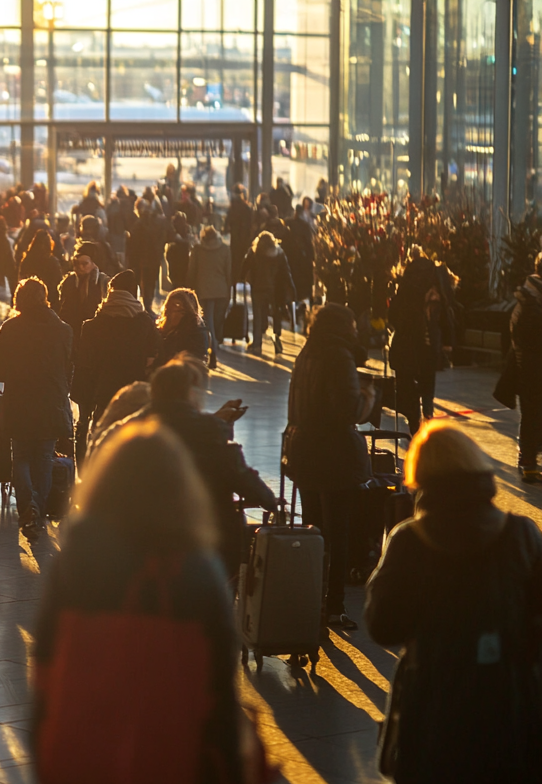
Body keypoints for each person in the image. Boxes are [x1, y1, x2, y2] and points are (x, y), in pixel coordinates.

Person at [32, 421, 246, 784]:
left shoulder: (77, 560)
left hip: (89, 766)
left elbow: (46, 659)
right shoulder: (201, 570)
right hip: (174, 768)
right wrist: (230, 769)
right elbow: (219, 683)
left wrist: (42, 745)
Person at [366, 422, 542, 784]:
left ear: (420, 477)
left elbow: (383, 626)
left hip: (434, 707)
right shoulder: (522, 534)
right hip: (511, 705)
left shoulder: (409, 540)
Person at [121, 360, 276, 574]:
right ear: (190, 393)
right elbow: (242, 478)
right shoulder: (211, 433)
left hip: (145, 541)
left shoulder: (130, 431)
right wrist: (271, 501)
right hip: (207, 540)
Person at [286, 303, 373, 628]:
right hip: (334, 455)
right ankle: (334, 606)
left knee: (313, 531)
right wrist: (367, 393)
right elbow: (349, 411)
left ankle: (311, 602)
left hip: (304, 452)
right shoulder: (339, 355)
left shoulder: (307, 352)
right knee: (337, 534)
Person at [0, 278, 73, 536]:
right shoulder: (63, 329)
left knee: (21, 457)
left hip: (20, 402)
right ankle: (40, 510)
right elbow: (70, 366)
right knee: (44, 459)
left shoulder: (11, 328)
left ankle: (28, 509)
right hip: (51, 403)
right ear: (45, 297)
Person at [72, 271, 158, 462]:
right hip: (133, 393)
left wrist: (81, 397)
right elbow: (152, 359)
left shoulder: (92, 326)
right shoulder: (144, 323)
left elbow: (83, 363)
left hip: (100, 394)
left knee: (100, 438)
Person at [389, 249, 455, 436]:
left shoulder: (406, 286)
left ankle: (414, 424)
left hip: (406, 344)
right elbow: (446, 315)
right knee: (428, 385)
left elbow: (393, 315)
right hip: (428, 344)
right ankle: (427, 417)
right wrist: (447, 341)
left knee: (408, 388)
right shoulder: (434, 288)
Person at [507, 262, 542, 482]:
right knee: (532, 414)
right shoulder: (532, 303)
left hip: (526, 368)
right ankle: (528, 459)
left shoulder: (526, 298)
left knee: (530, 414)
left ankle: (528, 458)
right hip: (532, 368)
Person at [242, 231, 294, 357]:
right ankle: (276, 339)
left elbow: (244, 267)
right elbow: (286, 272)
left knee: (258, 315)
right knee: (276, 314)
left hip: (258, 288)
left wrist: (241, 278)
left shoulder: (254, 252)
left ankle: (257, 344)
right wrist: (291, 289)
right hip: (275, 289)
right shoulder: (279, 253)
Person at [189, 226, 231, 370]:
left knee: (208, 321)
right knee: (216, 321)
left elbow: (192, 271)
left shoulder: (198, 250)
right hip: (221, 290)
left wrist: (190, 289)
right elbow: (228, 272)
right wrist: (229, 290)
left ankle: (212, 349)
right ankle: (214, 346)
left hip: (204, 291)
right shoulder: (225, 249)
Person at [55, 248, 111, 349]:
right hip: (72, 330)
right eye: (76, 264)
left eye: (85, 264)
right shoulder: (68, 281)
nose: (80, 267)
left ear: (94, 263)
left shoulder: (103, 282)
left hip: (96, 332)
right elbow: (63, 305)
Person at [126, 199, 166, 312]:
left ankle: (138, 306)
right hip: (153, 258)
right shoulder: (157, 222)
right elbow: (163, 237)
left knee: (138, 282)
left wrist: (131, 260)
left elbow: (133, 244)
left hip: (140, 260)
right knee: (151, 283)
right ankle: (148, 306)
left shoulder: (137, 224)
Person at [154, 289, 209, 368]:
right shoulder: (166, 329)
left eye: (179, 309)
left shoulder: (194, 332)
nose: (174, 312)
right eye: (170, 307)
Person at [19, 232, 65, 302]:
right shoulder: (52, 262)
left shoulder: (27, 260)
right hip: (49, 298)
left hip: (29, 298)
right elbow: (58, 282)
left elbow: (22, 278)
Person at [224, 185, 254, 278]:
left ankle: (235, 278)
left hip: (235, 238)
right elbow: (251, 224)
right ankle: (242, 277)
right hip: (245, 239)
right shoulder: (247, 207)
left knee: (235, 261)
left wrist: (226, 230)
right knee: (243, 260)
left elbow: (227, 224)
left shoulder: (232, 207)